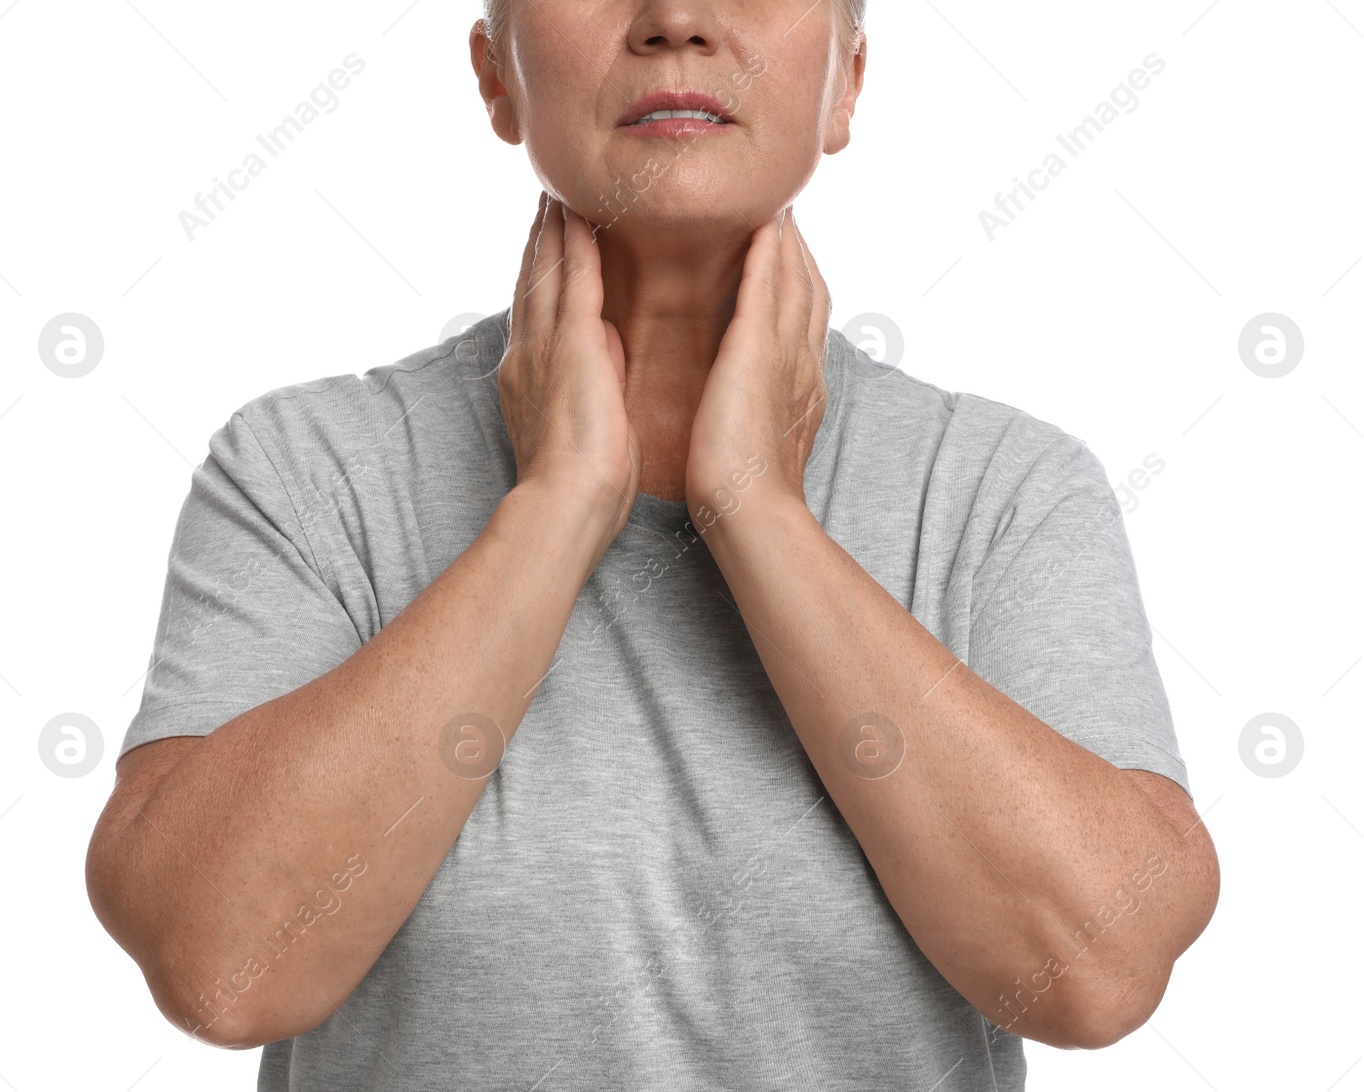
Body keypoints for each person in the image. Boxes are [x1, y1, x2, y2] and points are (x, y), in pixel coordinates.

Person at [85, 1, 1220, 1088]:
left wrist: (758, 509)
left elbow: (1098, 975)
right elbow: (219, 968)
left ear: (848, 83)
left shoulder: (1003, 492)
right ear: (495, 78)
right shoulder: (308, 473)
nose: (675, 16)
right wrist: (558, 504)